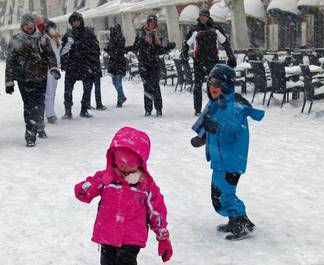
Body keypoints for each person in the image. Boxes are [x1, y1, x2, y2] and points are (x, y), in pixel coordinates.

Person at [74, 127, 173, 264]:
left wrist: (163, 237)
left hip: (132, 237)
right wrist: (94, 185)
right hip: (107, 233)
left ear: (140, 162)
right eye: (121, 164)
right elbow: (82, 193)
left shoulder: (146, 186)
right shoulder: (106, 178)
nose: (125, 169)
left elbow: (156, 211)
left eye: (130, 165)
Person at [190, 64, 264, 240]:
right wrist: (202, 138)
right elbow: (210, 127)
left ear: (226, 85)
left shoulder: (233, 107)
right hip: (220, 160)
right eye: (210, 83)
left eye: (216, 84)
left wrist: (215, 128)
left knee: (225, 195)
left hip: (231, 161)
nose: (212, 88)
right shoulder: (216, 105)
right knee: (218, 194)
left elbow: (231, 133)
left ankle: (242, 224)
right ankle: (236, 220)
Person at [5, 14, 59, 147]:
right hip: (24, 79)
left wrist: (53, 68)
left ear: (34, 25)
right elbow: (10, 61)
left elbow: (50, 56)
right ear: (22, 26)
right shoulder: (16, 40)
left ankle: (40, 126)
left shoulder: (42, 38)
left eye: (31, 25)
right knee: (28, 106)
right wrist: (9, 80)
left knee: (40, 103)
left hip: (40, 77)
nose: (29, 27)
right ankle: (30, 134)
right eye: (26, 25)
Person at [181, 8, 237, 116]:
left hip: (212, 61)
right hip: (199, 61)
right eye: (201, 16)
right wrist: (184, 54)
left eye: (204, 16)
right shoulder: (195, 30)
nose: (203, 18)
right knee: (197, 85)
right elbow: (186, 44)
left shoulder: (215, 28)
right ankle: (197, 110)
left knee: (213, 85)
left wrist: (231, 56)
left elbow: (225, 42)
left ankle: (214, 106)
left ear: (208, 17)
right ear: (199, 17)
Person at [127, 15, 175, 117]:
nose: (152, 24)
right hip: (144, 64)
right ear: (147, 23)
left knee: (156, 86)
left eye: (154, 22)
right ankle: (148, 109)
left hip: (154, 64)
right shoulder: (141, 33)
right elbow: (136, 46)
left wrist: (168, 47)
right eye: (151, 22)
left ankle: (158, 108)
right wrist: (144, 42)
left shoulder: (157, 34)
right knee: (147, 86)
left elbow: (160, 50)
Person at [60, 12, 101, 119]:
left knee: (87, 89)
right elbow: (63, 50)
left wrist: (93, 62)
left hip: (86, 65)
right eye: (73, 21)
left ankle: (84, 109)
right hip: (72, 66)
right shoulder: (68, 35)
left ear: (81, 21)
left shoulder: (88, 32)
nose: (76, 23)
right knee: (68, 89)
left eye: (77, 21)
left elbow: (96, 48)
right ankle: (68, 111)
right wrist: (64, 63)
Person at [104, 24, 127, 108]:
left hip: (119, 62)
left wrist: (110, 50)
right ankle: (122, 96)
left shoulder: (120, 38)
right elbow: (111, 49)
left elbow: (118, 50)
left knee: (118, 82)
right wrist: (108, 49)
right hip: (113, 63)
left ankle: (119, 100)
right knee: (114, 82)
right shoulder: (111, 39)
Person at [43, 19, 62, 124]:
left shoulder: (57, 41)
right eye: (52, 28)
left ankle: (50, 111)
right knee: (48, 92)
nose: (54, 30)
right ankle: (50, 114)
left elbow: (60, 53)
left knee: (52, 92)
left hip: (55, 69)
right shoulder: (46, 41)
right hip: (48, 69)